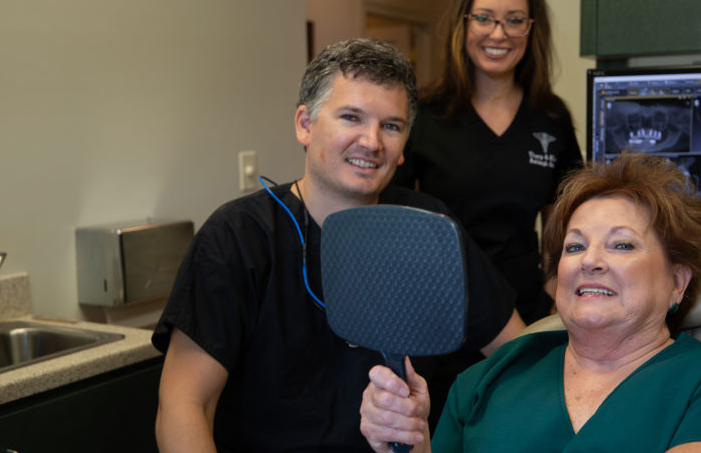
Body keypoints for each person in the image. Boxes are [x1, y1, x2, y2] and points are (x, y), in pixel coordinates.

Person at [152, 38, 524, 453]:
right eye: (351, 117)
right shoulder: (236, 239)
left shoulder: (427, 229)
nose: (372, 142)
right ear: (305, 125)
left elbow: (519, 355)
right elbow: (184, 405)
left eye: (391, 126)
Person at [359, 152, 701, 453]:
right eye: (574, 247)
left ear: (676, 283)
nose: (590, 261)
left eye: (622, 245)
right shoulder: (485, 380)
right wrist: (410, 445)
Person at [391, 0, 583, 325]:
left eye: (514, 20)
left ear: (531, 28)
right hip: (443, 306)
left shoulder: (551, 117)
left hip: (526, 307)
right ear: (464, 23)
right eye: (484, 18)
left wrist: (558, 285)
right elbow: (393, 217)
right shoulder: (425, 113)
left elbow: (562, 218)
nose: (498, 34)